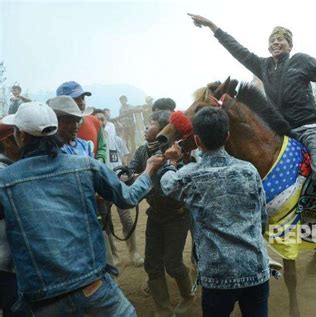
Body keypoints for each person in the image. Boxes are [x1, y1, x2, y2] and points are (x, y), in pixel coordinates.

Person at [188, 14, 316, 234]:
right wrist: (213, 26)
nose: (275, 43)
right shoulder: (263, 66)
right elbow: (238, 50)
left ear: (290, 45)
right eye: (272, 40)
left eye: (281, 39)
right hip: (283, 134)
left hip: (310, 131)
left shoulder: (301, 61)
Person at [0, 102, 164, 316]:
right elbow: (129, 198)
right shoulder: (86, 165)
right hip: (92, 286)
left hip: (42, 299)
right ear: (55, 130)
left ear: (20, 136)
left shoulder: (5, 181)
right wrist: (149, 169)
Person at [161, 107, 270, 317]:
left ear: (197, 140)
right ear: (227, 136)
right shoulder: (248, 170)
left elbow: (167, 184)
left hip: (217, 277)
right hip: (255, 270)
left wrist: (171, 162)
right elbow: (262, 217)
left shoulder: (191, 175)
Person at [125, 110, 194, 315]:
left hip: (177, 216)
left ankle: (189, 295)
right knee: (152, 264)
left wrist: (141, 175)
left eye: (152, 123)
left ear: (165, 129)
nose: (146, 127)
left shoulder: (178, 152)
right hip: (155, 215)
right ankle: (163, 309)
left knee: (173, 263)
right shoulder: (142, 151)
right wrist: (131, 175)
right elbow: (129, 172)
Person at [93, 109, 144, 267]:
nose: (101, 122)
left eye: (103, 119)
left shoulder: (117, 140)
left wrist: (125, 176)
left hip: (118, 185)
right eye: (97, 120)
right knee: (106, 223)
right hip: (101, 188)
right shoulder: (91, 143)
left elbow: (124, 160)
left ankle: (133, 252)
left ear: (107, 120)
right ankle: (114, 255)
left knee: (127, 220)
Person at [0, 124, 30, 317]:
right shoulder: (6, 174)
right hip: (8, 266)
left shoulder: (13, 168)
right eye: (20, 136)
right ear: (8, 141)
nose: (24, 141)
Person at [56, 81, 107, 163]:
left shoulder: (94, 121)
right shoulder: (54, 146)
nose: (82, 102)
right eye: (76, 99)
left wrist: (98, 163)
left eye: (83, 98)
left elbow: (102, 147)